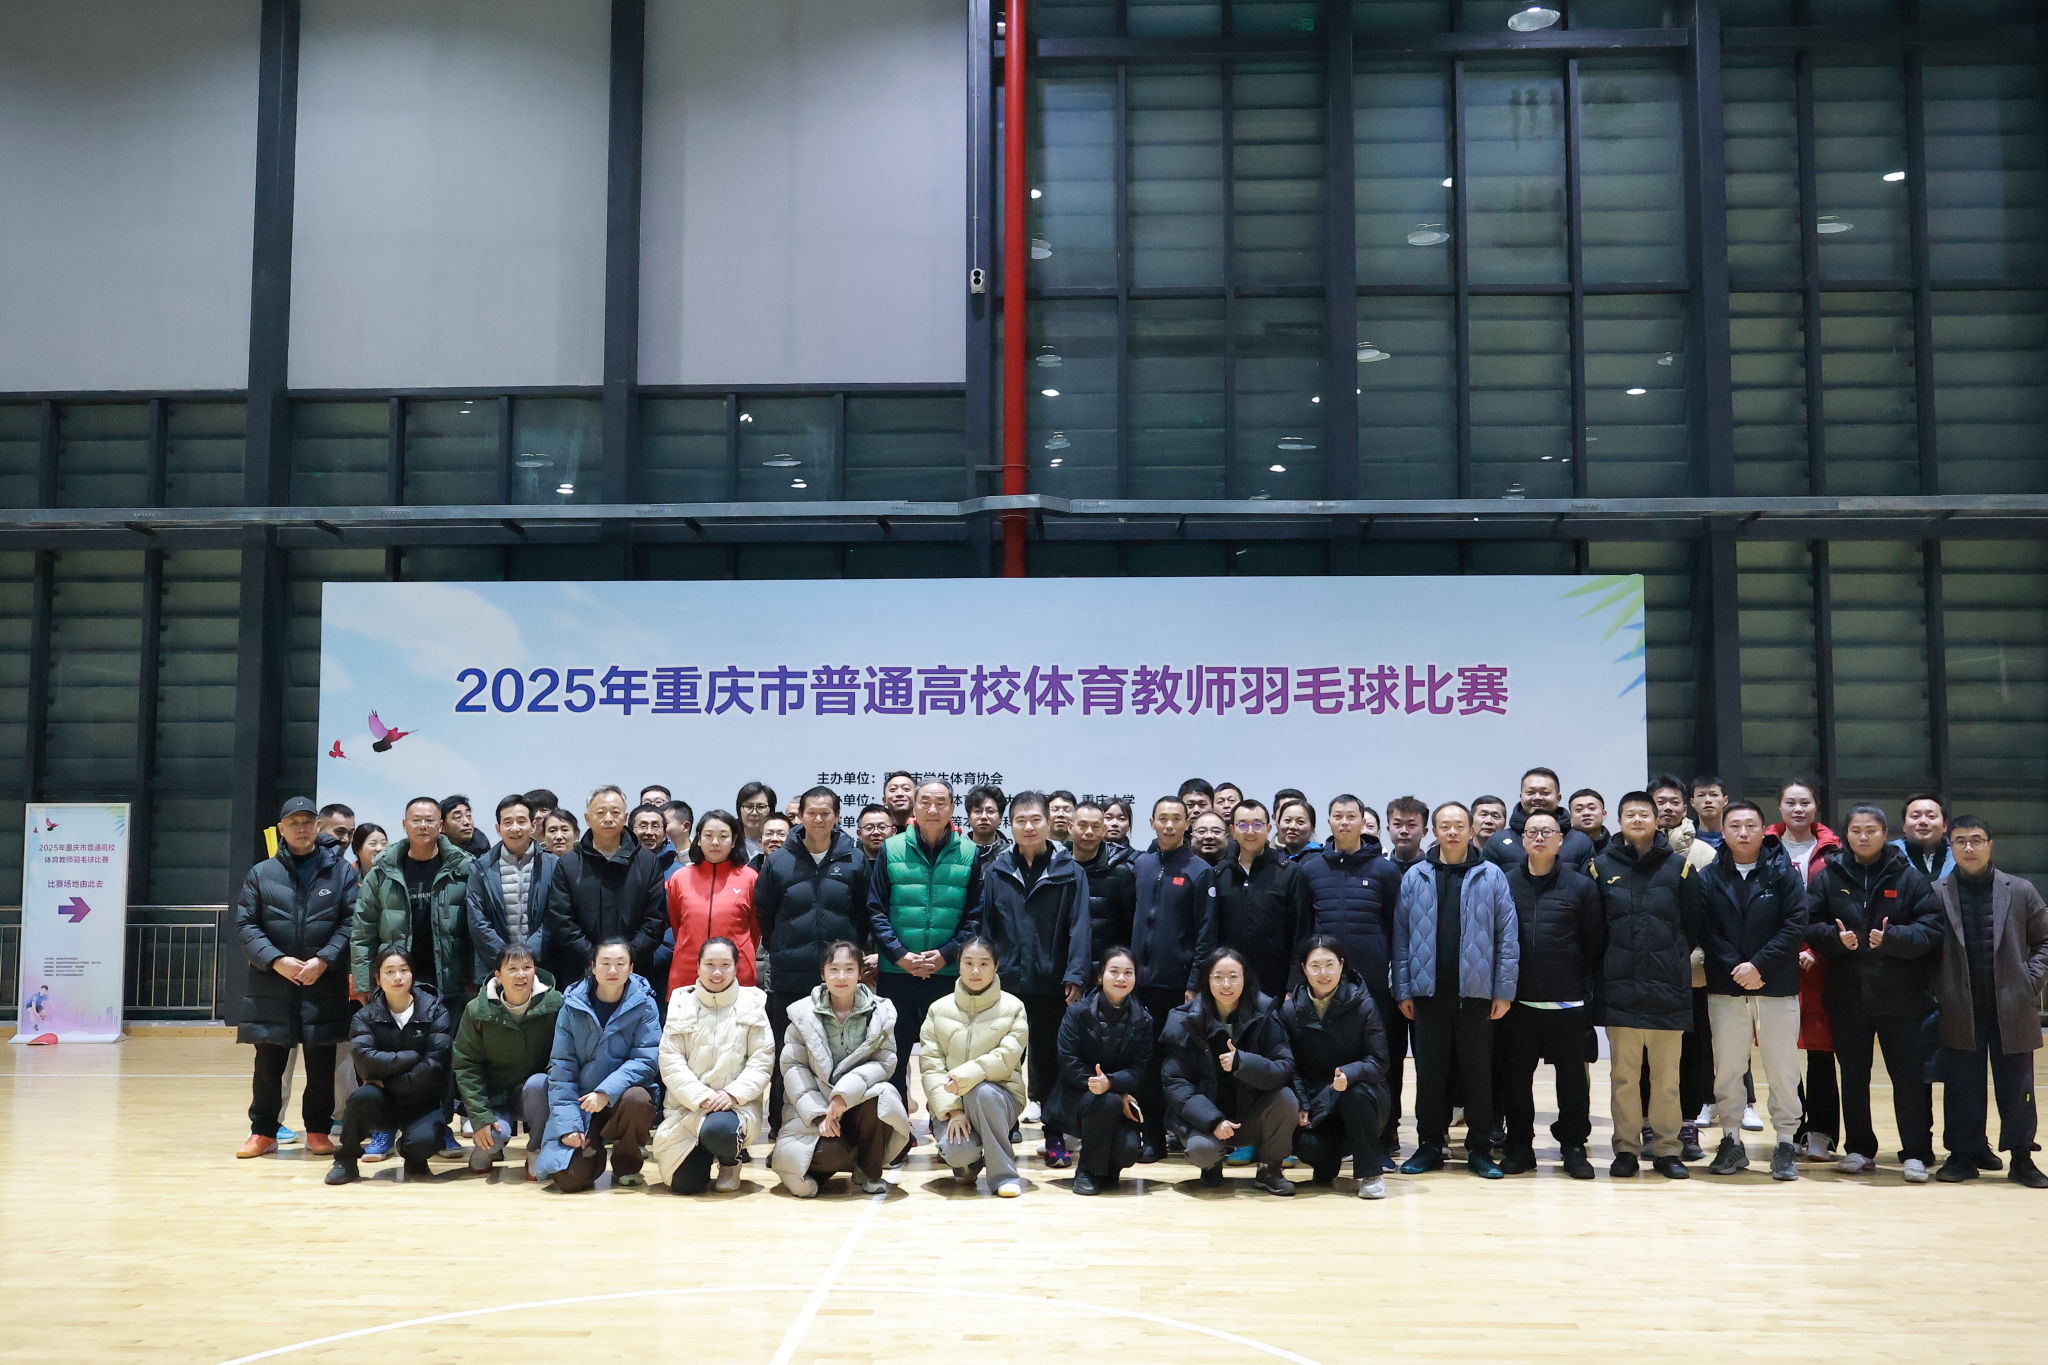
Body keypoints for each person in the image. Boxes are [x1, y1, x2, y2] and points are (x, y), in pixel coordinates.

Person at [1806, 804, 1941, 1182]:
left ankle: (1915, 1151)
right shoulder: (1828, 876)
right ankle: (1859, 1147)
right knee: (1853, 1076)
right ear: (1846, 835)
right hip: (1847, 995)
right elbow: (1809, 923)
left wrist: (1893, 938)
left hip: (1902, 996)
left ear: (1885, 834)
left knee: (1908, 1077)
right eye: (1856, 830)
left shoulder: (1909, 878)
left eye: (1871, 830)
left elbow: (1932, 928)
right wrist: (1836, 939)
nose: (1863, 837)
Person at [1392, 801, 1516, 1179]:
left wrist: (1504, 990)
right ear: (1434, 831)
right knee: (1430, 1075)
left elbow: (1507, 937)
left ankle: (1479, 1149)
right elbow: (1401, 937)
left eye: (1459, 825)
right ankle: (1430, 1145)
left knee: (1478, 1075)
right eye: (1444, 826)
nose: (1452, 832)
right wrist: (1403, 989)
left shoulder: (1491, 875)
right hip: (1427, 994)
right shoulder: (1416, 876)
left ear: (1470, 830)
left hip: (1476, 995)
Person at [1689, 800, 1810, 1182]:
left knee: (1783, 1069)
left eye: (1750, 826)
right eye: (1735, 826)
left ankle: (1785, 1143)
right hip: (1726, 986)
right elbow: (1704, 928)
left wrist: (1759, 966)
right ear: (1723, 832)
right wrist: (1737, 967)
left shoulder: (1784, 873)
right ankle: (1730, 1140)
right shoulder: (1708, 877)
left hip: (1776, 985)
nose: (1743, 833)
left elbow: (1795, 924)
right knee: (1727, 1068)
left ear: (1763, 830)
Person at [235, 797, 358, 1159]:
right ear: (281, 829)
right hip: (272, 984)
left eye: (307, 821)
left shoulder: (341, 872)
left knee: (321, 1064)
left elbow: (351, 922)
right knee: (268, 1064)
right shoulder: (262, 873)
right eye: (294, 822)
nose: (301, 828)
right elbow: (245, 924)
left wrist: (324, 960)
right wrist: (276, 961)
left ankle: (318, 1130)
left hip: (324, 983)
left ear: (317, 826)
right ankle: (263, 1132)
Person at [1929, 816, 2048, 1188]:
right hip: (1959, 1006)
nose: (1969, 848)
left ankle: (2022, 1158)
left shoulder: (2021, 889)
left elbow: (2044, 940)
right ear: (1950, 846)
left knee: (2018, 1088)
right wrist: (1937, 987)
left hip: (2012, 1006)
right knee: (1962, 1086)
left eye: (1976, 840)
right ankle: (1963, 1156)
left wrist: (2030, 981)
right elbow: (1924, 947)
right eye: (1960, 841)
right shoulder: (1936, 892)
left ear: (1990, 844)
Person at [979, 792, 1091, 1167]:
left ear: (1048, 823)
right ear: (1010, 825)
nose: (1028, 827)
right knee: (1003, 1059)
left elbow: (1080, 928)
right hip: (1006, 985)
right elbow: (986, 929)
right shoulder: (997, 871)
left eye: (1035, 819)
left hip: (1052, 985)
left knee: (1052, 1061)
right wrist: (984, 975)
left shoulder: (1069, 871)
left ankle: (1054, 1134)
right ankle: (1003, 1128)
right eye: (1020, 820)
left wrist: (1076, 974)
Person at [1593, 791, 1700, 1179]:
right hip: (1619, 988)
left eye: (1644, 814)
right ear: (1619, 821)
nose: (1637, 819)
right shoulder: (1600, 867)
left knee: (1667, 1078)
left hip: (1667, 987)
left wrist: (1669, 959)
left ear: (1657, 821)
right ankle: (1625, 1148)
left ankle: (1667, 1149)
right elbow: (1594, 928)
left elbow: (1692, 925)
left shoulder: (1680, 868)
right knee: (1623, 1077)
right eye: (1629, 814)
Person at [1297, 794, 1405, 1167]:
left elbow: (1397, 931)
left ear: (1362, 821)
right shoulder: (1311, 870)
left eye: (1351, 816)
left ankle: (1384, 1139)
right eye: (1337, 816)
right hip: (1322, 988)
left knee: (1382, 1061)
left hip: (1374, 988)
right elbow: (1303, 930)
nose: (1344, 822)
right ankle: (1331, 1133)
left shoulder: (1385, 871)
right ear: (1328, 822)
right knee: (1326, 1062)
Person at [1494, 810, 1603, 1180]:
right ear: (1523, 839)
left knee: (1573, 1083)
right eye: (1532, 832)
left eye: (1547, 832)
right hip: (1517, 1004)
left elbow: (1593, 943)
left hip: (1567, 1003)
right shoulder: (1505, 883)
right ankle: (1519, 1147)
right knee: (1515, 1081)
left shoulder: (1581, 886)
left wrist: (1583, 993)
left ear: (1560, 840)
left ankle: (1573, 1146)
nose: (1539, 838)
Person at [756, 787, 871, 1136]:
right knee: (788, 1052)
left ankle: (839, 1124)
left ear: (837, 817)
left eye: (826, 813)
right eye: (812, 813)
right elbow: (764, 912)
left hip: (840, 979)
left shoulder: (854, 859)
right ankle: (781, 1125)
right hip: (791, 974)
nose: (819, 819)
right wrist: (783, 947)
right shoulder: (779, 861)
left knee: (840, 1052)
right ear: (800, 816)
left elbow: (864, 913)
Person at [868, 779, 985, 1097]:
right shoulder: (891, 849)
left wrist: (948, 953)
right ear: (914, 807)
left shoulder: (969, 852)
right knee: (893, 1055)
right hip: (897, 972)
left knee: (947, 1055)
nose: (933, 809)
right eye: (926, 802)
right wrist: (899, 955)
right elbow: (876, 910)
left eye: (941, 803)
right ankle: (895, 1120)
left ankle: (946, 1117)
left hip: (947, 973)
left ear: (952, 808)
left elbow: (975, 914)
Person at [771, 940, 906, 1196]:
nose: (841, 977)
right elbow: (793, 1068)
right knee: (828, 1156)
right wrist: (820, 1114)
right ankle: (840, 1152)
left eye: (849, 969)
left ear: (860, 973)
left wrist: (844, 1094)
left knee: (883, 1098)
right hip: (816, 1107)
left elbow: (885, 1061)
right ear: (823, 974)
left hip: (860, 1101)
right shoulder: (802, 1014)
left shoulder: (881, 1013)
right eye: (833, 969)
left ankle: (868, 1170)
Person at [1160, 947, 1300, 1195]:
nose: (1227, 984)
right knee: (1202, 1151)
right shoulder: (1183, 1019)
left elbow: (1284, 1067)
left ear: (1245, 979)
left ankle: (1270, 1170)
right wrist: (1213, 1120)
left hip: (1250, 1116)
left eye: (1234, 976)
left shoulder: (1265, 1013)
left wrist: (1243, 1063)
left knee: (1286, 1098)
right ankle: (1211, 1167)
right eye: (1218, 977)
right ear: (1206, 980)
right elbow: (1175, 1082)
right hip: (1207, 1123)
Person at [1127, 795, 1215, 1161]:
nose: (1169, 825)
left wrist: (1194, 982)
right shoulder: (1141, 865)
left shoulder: (1199, 870)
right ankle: (1151, 1136)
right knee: (1145, 1062)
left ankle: (1178, 1129)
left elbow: (1206, 933)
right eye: (1162, 818)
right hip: (1139, 985)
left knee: (1175, 1064)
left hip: (1178, 986)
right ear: (1151, 823)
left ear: (1186, 824)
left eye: (1176, 818)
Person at [535, 938, 661, 1192]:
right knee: (569, 1180)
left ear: (631, 968)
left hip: (623, 1098)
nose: (612, 970)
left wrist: (606, 1092)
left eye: (620, 963)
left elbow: (646, 1059)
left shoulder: (645, 1004)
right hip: (583, 1103)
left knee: (638, 1098)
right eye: (605, 963)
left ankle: (626, 1162)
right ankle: (593, 1151)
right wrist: (568, 1126)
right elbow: (562, 1069)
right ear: (593, 967)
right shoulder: (571, 1006)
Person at [652, 936, 773, 1195]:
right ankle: (703, 1153)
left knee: (720, 1130)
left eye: (725, 965)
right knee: (685, 1184)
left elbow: (762, 1059)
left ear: (736, 967)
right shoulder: (680, 1003)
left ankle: (730, 1162)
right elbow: (670, 1059)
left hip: (735, 1107)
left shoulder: (753, 1004)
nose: (717, 972)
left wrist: (731, 1094)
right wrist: (701, 1096)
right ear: (697, 966)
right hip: (689, 1107)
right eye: (709, 964)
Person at [352, 796, 478, 1034]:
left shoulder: (464, 868)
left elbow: (477, 929)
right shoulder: (382, 872)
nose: (423, 826)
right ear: (404, 825)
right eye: (416, 820)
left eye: (429, 820)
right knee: (401, 1049)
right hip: (397, 981)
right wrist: (363, 982)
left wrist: (475, 980)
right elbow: (363, 932)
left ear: (441, 825)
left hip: (450, 980)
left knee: (445, 1048)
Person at [327, 947, 454, 1184]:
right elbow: (365, 1062)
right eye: (389, 971)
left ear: (412, 975)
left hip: (424, 1100)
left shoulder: (436, 1011)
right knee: (361, 1098)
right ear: (378, 978)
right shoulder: (364, 1017)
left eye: (404, 970)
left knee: (424, 1142)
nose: (397, 977)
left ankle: (412, 1155)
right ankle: (345, 1160)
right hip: (382, 1100)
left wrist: (386, 1080)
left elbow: (435, 1065)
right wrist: (412, 1055)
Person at [1280, 936, 1391, 1198]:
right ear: (1303, 968)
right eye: (1315, 966)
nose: (1323, 973)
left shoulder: (1363, 1004)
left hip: (1363, 1097)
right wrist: (1302, 1103)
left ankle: (1371, 1174)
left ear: (1341, 965)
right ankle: (1327, 1163)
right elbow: (1289, 1064)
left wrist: (1350, 1074)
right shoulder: (1289, 1011)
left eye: (1330, 964)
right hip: (1317, 1100)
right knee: (1307, 1146)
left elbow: (1378, 1060)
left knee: (1355, 1094)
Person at [921, 936, 1031, 1196]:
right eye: (968, 963)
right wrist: (954, 1112)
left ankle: (1004, 1175)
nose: (975, 971)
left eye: (984, 963)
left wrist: (964, 1078)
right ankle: (968, 1164)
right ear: (958, 965)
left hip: (999, 1097)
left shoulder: (1014, 1007)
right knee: (959, 1153)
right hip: (951, 1101)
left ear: (996, 966)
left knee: (981, 1092)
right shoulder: (938, 1009)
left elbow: (1006, 1058)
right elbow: (931, 1066)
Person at [1770, 779, 1841, 1158]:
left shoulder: (1834, 850)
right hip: (1776, 961)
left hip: (1821, 962)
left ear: (1816, 807)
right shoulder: (1764, 845)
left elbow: (1841, 908)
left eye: (1805, 802)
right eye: (1791, 803)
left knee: (1821, 1050)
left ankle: (1822, 1132)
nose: (1798, 809)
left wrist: (1818, 947)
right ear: (1780, 807)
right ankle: (1792, 1128)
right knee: (1782, 1052)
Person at [452, 943, 563, 1180]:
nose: (521, 974)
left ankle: (535, 1149)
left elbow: (564, 1057)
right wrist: (480, 1117)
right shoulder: (476, 1010)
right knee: (493, 1139)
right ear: (498, 976)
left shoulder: (555, 1004)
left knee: (540, 1083)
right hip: (493, 1097)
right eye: (512, 968)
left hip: (532, 1096)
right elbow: (466, 1066)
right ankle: (489, 1148)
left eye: (527, 967)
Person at [543, 786, 667, 990]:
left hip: (636, 970)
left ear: (625, 817)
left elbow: (656, 919)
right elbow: (561, 919)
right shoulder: (569, 864)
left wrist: (626, 958)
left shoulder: (647, 862)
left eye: (615, 812)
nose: (608, 818)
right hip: (581, 970)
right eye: (600, 812)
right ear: (587, 818)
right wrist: (594, 958)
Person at [1198, 799, 1314, 1008]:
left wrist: (1293, 986)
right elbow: (1210, 933)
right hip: (1228, 985)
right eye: (1242, 825)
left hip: (1276, 985)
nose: (1250, 831)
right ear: (1232, 830)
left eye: (1257, 824)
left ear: (1268, 829)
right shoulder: (1219, 875)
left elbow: (1301, 934)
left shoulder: (1289, 873)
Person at [1056, 946, 1152, 1195]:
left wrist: (1111, 1083)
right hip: (1078, 1096)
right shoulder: (1077, 1012)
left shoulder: (1143, 1020)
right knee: (1108, 1102)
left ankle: (1105, 1169)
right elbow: (1068, 1063)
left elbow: (1140, 1069)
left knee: (1129, 1151)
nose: (1121, 978)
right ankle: (1086, 1170)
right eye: (1114, 971)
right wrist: (1107, 1087)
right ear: (1100, 976)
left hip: (1116, 1094)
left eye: (1128, 972)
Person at [466, 793, 558, 987]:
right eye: (508, 822)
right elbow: (477, 921)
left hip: (545, 967)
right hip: (495, 970)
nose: (515, 828)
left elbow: (556, 915)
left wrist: (528, 957)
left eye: (521, 821)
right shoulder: (481, 868)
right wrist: (507, 961)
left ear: (533, 826)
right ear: (498, 828)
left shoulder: (553, 865)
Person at [664, 809, 760, 992]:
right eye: (708, 835)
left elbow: (755, 930)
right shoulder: (680, 878)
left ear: (734, 841)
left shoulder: (750, 878)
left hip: (737, 973)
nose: (715, 842)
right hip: (687, 972)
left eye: (723, 836)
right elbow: (677, 925)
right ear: (699, 839)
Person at [1484, 768, 1596, 870]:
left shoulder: (1580, 841)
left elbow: (1588, 884)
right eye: (1530, 792)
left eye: (1545, 793)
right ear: (1521, 797)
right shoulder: (1497, 841)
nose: (1537, 797)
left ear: (1558, 798)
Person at [1069, 801, 1137, 968]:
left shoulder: (1121, 873)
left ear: (1104, 829)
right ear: (1070, 827)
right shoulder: (1056, 870)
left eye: (1095, 826)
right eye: (1082, 825)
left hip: (1105, 971)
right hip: (1064, 970)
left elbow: (1129, 929)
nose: (1089, 832)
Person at [1894, 792, 1955, 880]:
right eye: (1915, 816)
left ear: (1944, 826)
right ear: (1904, 826)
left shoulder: (1959, 855)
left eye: (1931, 816)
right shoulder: (1889, 855)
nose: (1923, 821)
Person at [963, 784, 1012, 868]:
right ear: (969, 817)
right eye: (978, 811)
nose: (984, 817)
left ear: (1000, 817)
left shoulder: (1010, 855)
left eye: (990, 811)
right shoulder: (957, 851)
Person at [1384, 796, 1429, 874]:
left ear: (1424, 831)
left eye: (1411, 825)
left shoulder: (1434, 870)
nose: (1404, 831)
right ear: (1389, 829)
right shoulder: (1377, 869)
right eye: (1397, 824)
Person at [736, 781, 779, 860]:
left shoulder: (780, 841)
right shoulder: (730, 842)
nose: (754, 813)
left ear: (771, 811)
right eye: (749, 806)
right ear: (739, 809)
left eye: (761, 807)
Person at [631, 803, 677, 872]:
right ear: (630, 832)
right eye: (643, 826)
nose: (649, 832)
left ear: (664, 834)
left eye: (655, 826)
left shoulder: (678, 871)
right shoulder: (619, 867)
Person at [1567, 789, 1611, 860]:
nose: (1586, 813)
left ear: (1604, 814)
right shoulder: (1560, 845)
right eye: (1579, 809)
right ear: (1570, 817)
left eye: (1592, 808)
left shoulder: (1617, 846)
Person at [1690, 776, 1728, 849]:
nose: (1708, 800)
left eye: (1714, 795)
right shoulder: (1682, 836)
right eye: (1701, 795)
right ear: (1692, 802)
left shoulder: (1737, 834)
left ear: (1725, 800)